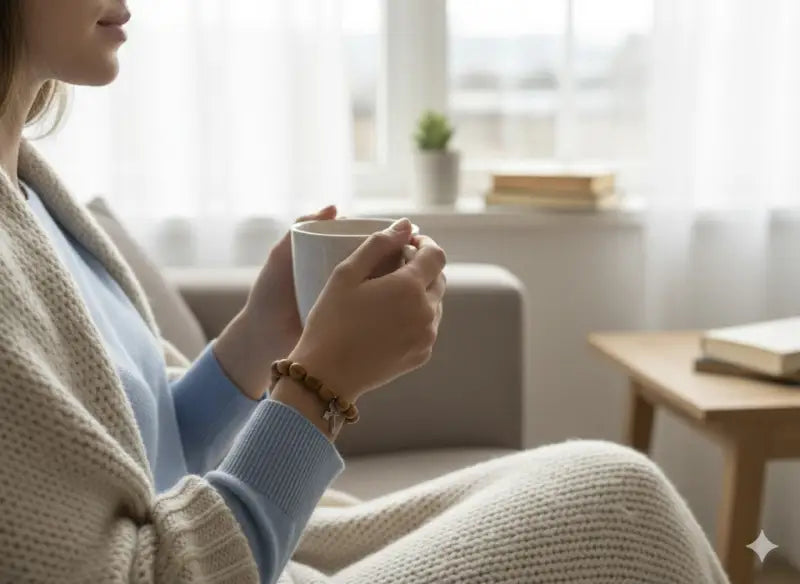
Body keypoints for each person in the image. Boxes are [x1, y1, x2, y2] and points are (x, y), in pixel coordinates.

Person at [0, 2, 730, 583]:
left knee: (613, 483)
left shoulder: (31, 191)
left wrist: (263, 337)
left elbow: (152, 450)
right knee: (626, 509)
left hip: (257, 554)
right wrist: (319, 387)